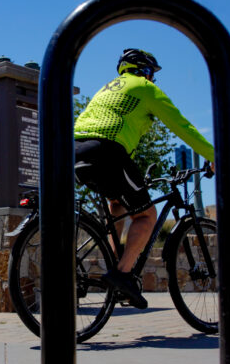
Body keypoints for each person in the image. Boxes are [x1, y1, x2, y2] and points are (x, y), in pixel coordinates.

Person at [74, 48, 215, 309]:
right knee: (147, 216)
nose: (153, 79)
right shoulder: (144, 88)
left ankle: (114, 266)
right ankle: (122, 274)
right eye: (151, 73)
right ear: (144, 70)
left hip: (77, 152)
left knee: (117, 204)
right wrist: (214, 155)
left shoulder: (107, 88)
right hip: (107, 151)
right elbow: (182, 126)